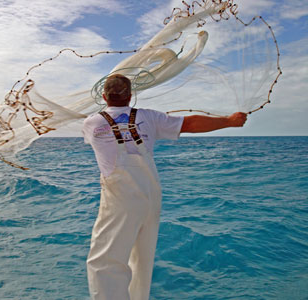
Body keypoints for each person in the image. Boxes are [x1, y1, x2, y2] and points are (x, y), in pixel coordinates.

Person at [82, 74, 247, 300]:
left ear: (103, 96)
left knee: (104, 260)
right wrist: (229, 121)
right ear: (131, 96)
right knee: (142, 259)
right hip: (150, 198)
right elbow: (189, 124)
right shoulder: (149, 117)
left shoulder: (92, 123)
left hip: (120, 200)